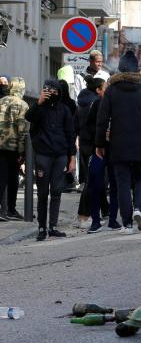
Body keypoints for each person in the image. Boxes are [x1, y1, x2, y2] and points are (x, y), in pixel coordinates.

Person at [95, 51, 141, 233]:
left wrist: (99, 144)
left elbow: (102, 120)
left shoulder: (111, 90)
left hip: (118, 144)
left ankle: (127, 223)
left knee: (122, 183)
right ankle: (138, 209)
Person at [26, 80, 77, 240]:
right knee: (42, 193)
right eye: (48, 90)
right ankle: (42, 227)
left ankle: (53, 226)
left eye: (55, 90)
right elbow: (29, 117)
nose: (52, 93)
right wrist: (39, 102)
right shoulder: (39, 107)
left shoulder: (64, 110)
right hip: (43, 155)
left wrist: (72, 157)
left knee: (56, 191)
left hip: (60, 156)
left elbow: (70, 134)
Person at [79, 78, 110, 233]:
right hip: (94, 146)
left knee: (95, 180)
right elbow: (97, 126)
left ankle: (104, 211)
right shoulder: (98, 103)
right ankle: (85, 215)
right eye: (106, 87)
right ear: (98, 90)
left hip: (86, 144)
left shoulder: (83, 101)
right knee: (94, 181)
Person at [0, 77, 28, 220]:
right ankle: (10, 209)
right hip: (12, 147)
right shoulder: (22, 104)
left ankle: (3, 210)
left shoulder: (1, 100)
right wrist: (23, 152)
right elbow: (23, 130)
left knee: (1, 177)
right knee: (12, 179)